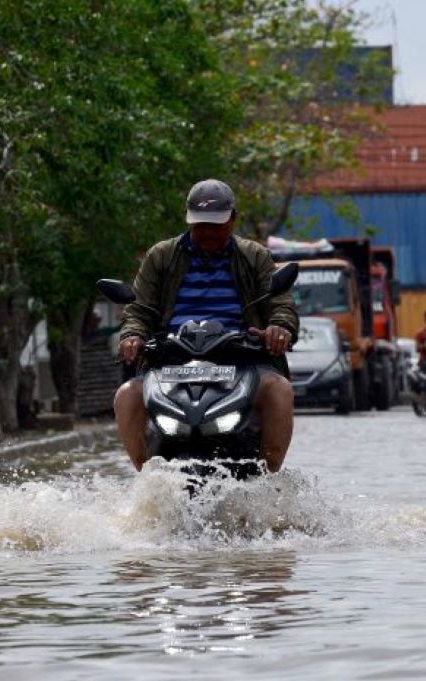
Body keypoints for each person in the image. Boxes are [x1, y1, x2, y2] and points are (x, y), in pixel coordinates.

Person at [113, 179, 298, 472]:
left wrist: (279, 328)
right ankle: (148, 479)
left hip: (241, 358)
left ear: (233, 220)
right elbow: (139, 309)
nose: (208, 232)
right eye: (201, 225)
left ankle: (268, 478)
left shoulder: (254, 256)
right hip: (170, 359)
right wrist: (133, 335)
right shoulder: (161, 255)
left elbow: (280, 305)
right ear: (188, 220)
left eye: (217, 224)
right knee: (127, 396)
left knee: (280, 391)